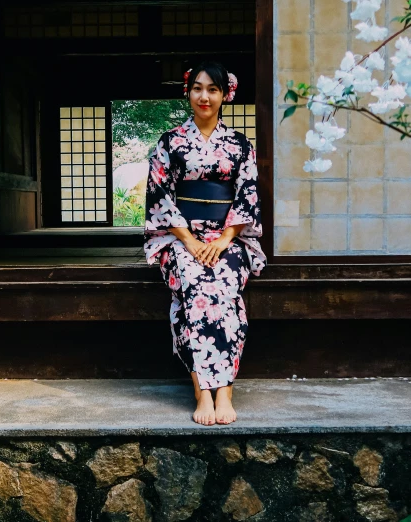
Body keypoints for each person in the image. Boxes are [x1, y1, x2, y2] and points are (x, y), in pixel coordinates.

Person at [143, 61, 266, 426]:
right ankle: (203, 390)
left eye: (212, 89)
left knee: (224, 286)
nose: (204, 96)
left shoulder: (240, 144)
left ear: (225, 94)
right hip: (181, 235)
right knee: (194, 286)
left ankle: (222, 390)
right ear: (188, 92)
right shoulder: (170, 142)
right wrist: (190, 241)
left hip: (228, 234)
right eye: (198, 88)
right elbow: (159, 194)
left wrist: (227, 237)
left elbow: (248, 193)